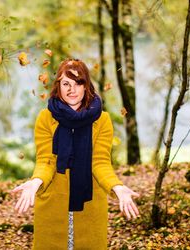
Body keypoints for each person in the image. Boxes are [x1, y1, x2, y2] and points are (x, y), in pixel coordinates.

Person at [10, 58, 140, 250]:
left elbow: (100, 162)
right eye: (66, 84)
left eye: (79, 82)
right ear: (58, 87)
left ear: (87, 86)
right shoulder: (46, 118)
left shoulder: (102, 120)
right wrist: (36, 181)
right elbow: (47, 161)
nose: (73, 89)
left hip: (90, 205)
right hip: (53, 205)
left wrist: (117, 187)